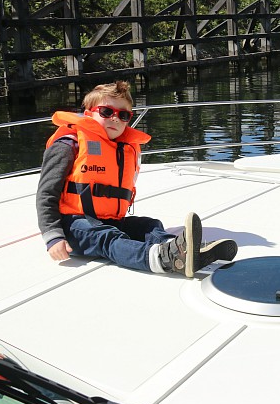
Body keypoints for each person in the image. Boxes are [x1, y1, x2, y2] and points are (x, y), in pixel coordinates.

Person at [36, 81, 237, 278]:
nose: (115, 119)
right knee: (108, 237)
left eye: (123, 115)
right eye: (106, 112)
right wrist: (53, 236)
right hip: (73, 225)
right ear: (88, 112)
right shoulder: (68, 145)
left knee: (149, 225)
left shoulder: (122, 147)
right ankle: (164, 259)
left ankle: (181, 249)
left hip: (109, 220)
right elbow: (46, 193)